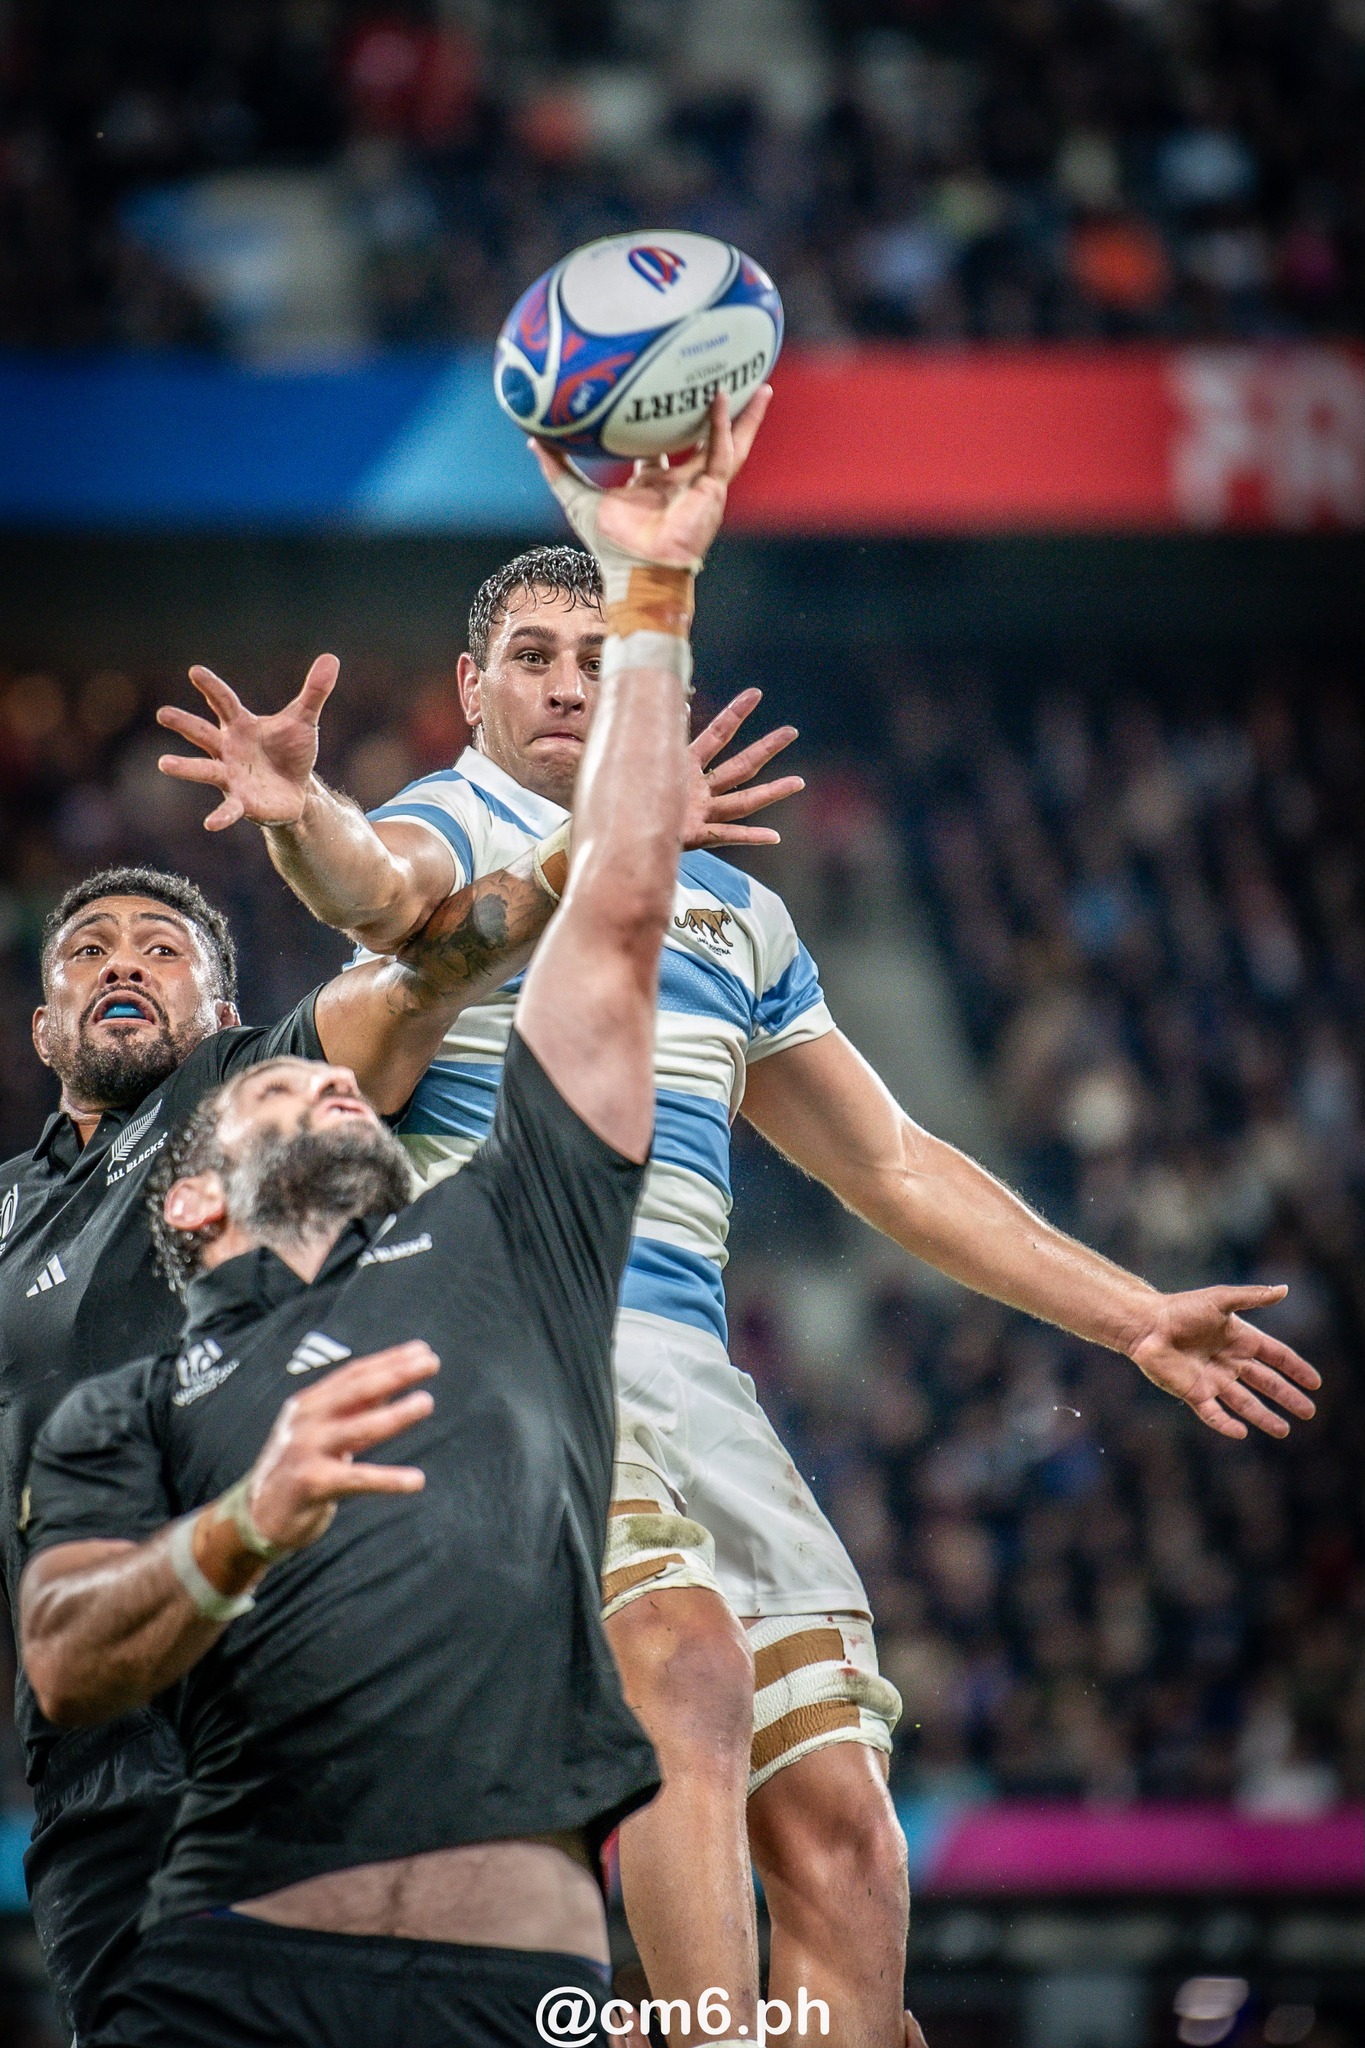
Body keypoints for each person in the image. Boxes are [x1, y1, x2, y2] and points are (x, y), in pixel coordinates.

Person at [157, 504, 1322, 2048]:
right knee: (684, 1669)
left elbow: (889, 1163)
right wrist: (306, 818)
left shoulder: (743, 912)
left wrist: (1128, 1314)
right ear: (474, 687)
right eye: (532, 658)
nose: (569, 682)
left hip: (696, 1387)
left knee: (839, 1817)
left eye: (600, 656)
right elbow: (373, 887)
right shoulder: (460, 826)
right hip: (515, 1344)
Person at [16, 392, 764, 2048]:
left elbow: (473, 932)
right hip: (157, 1825)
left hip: (464, 1918)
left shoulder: (489, 1245)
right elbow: (65, 1655)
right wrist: (232, 1528)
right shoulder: (103, 1398)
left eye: (171, 954)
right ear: (196, 1193)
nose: (343, 1091)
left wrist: (653, 606)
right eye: (88, 951)